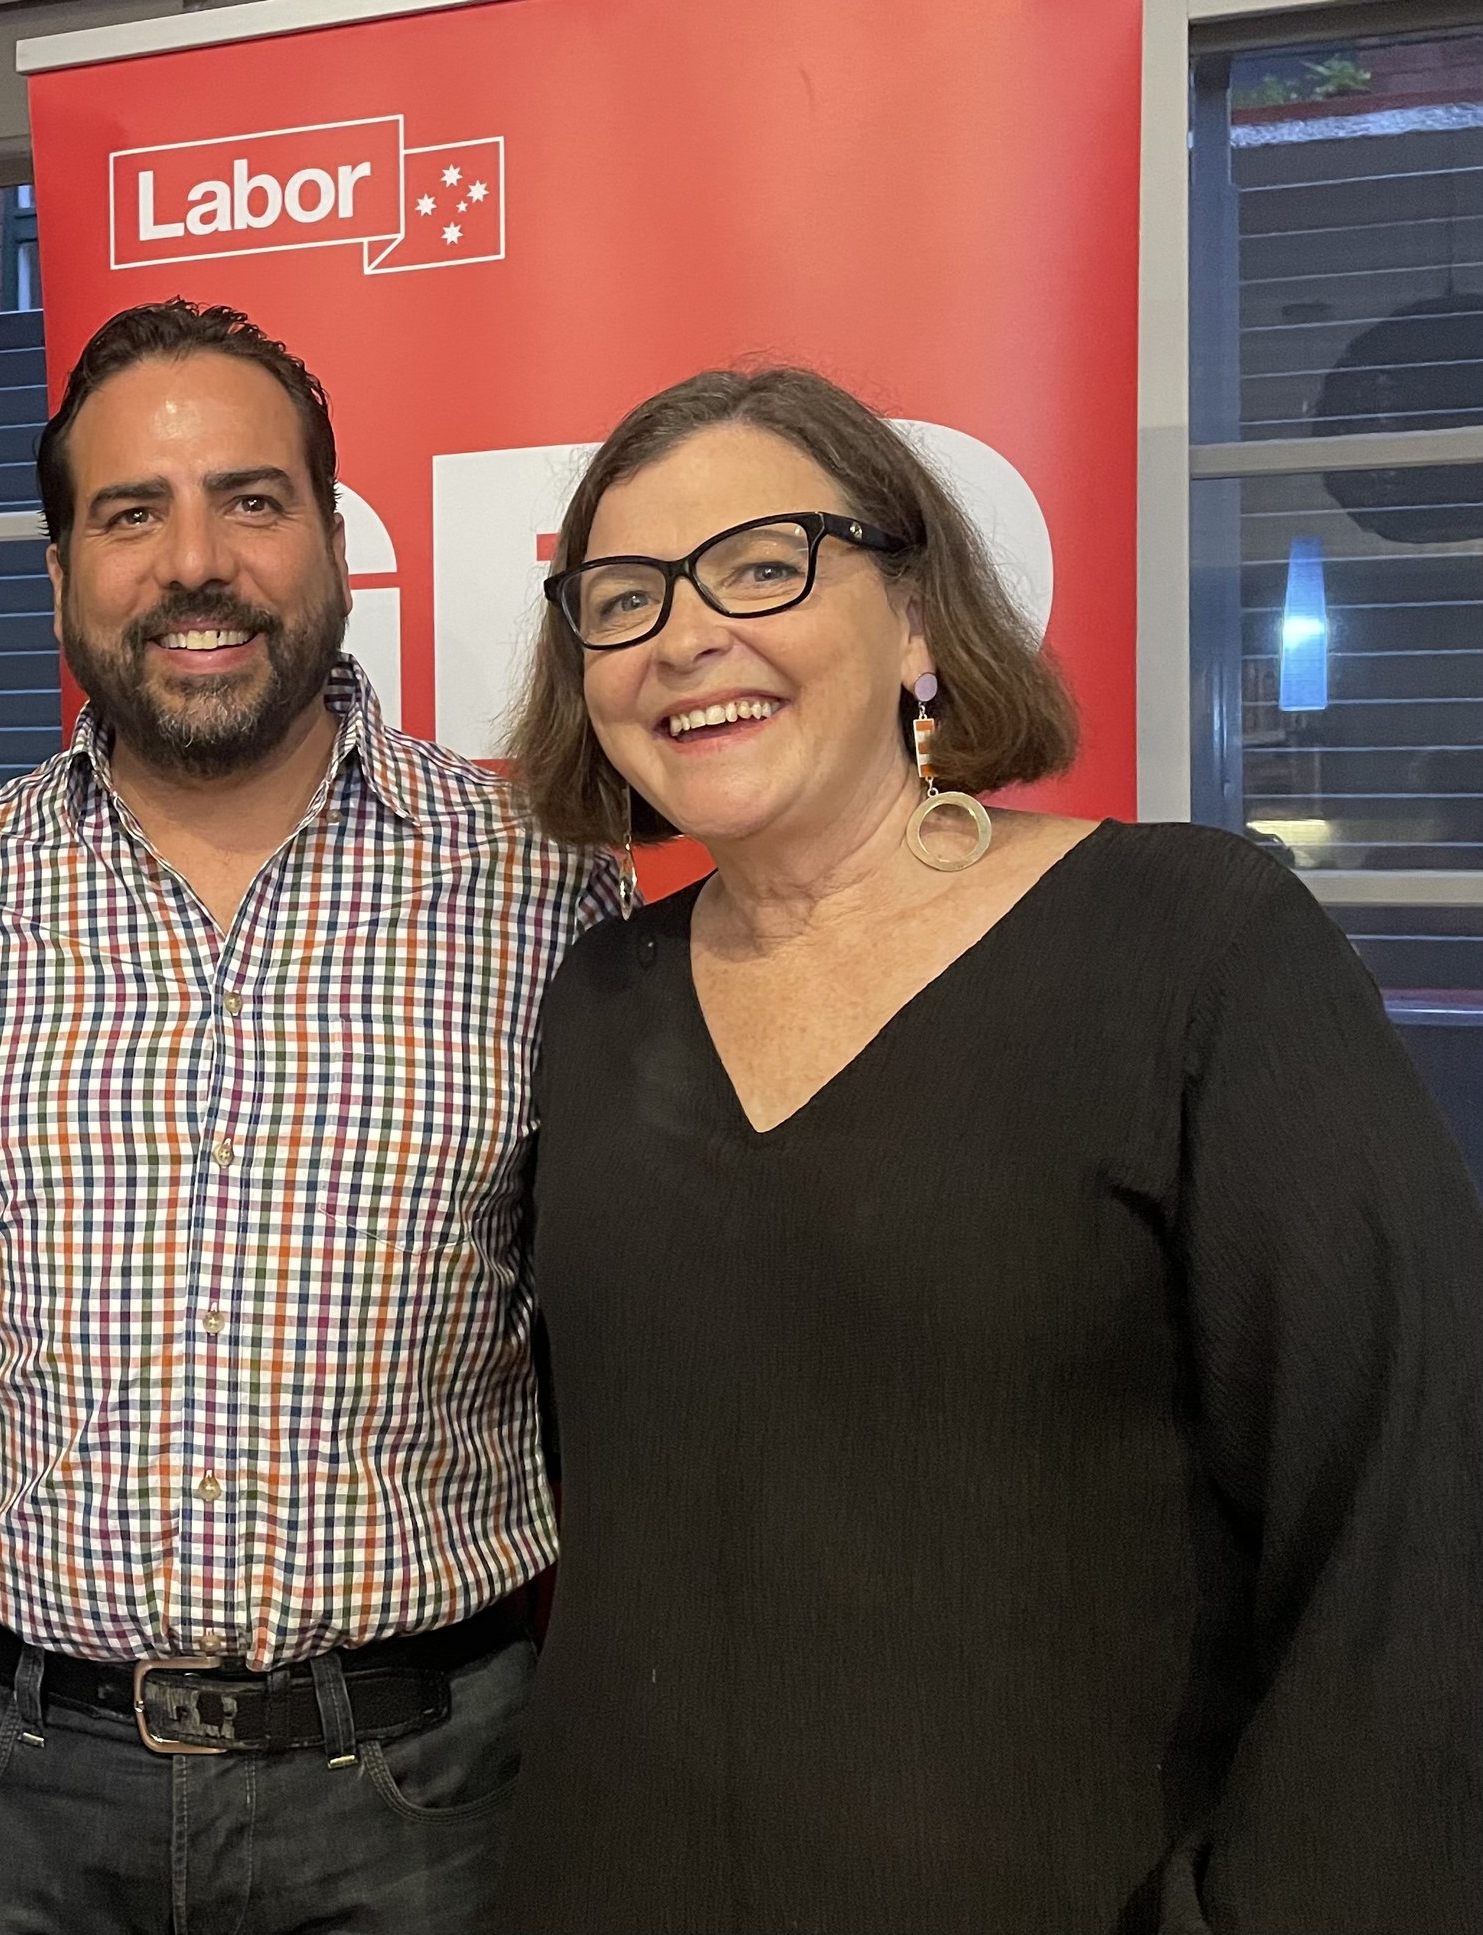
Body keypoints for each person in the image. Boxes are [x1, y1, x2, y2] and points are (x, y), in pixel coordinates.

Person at [494, 365, 1483, 1933]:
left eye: (763, 565)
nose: (687, 635)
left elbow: (1413, 1526)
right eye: (623, 597)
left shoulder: (1196, 946)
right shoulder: (598, 999)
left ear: (918, 623)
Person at [0, 299, 627, 1934]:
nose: (193, 561)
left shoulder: (544, 880)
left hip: (424, 1792)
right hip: (21, 1789)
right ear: (66, 569)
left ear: (333, 539)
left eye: (252, 499)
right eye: (130, 513)